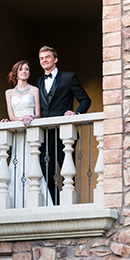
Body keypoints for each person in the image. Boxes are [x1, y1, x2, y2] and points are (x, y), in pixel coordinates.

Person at [35, 46, 91, 204]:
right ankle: (55, 202)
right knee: (46, 171)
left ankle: (69, 203)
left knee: (67, 169)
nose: (44, 60)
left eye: (47, 57)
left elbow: (86, 100)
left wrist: (76, 114)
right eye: (41, 58)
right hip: (44, 134)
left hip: (64, 133)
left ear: (55, 59)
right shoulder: (37, 82)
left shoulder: (69, 77)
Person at [4, 60, 51, 207]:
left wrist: (30, 118)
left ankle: (37, 199)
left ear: (29, 73)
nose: (24, 71)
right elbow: (11, 115)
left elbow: (38, 113)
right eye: (21, 69)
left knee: (32, 162)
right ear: (16, 74)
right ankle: (16, 201)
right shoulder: (9, 93)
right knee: (16, 161)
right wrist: (20, 120)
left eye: (27, 69)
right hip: (19, 131)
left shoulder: (34, 90)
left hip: (31, 129)